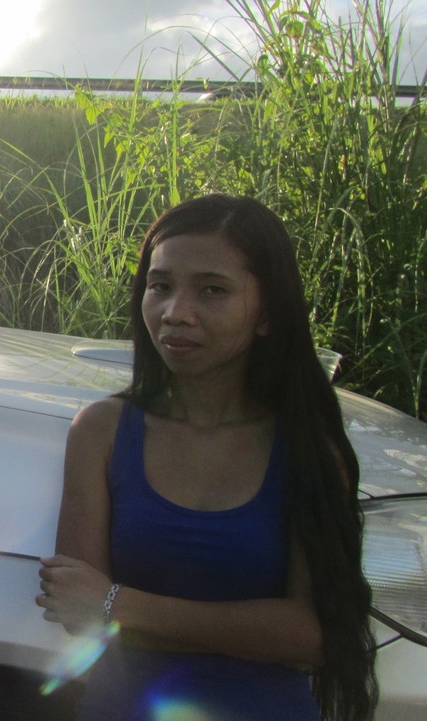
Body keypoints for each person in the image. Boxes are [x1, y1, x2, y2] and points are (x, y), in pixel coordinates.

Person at [35, 194, 377, 721]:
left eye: (213, 290)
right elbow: (77, 610)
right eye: (160, 286)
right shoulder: (102, 431)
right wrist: (252, 631)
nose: (176, 313)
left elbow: (313, 636)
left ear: (267, 313)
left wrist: (121, 604)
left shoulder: (306, 446)